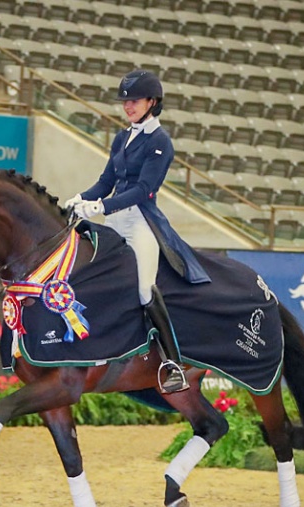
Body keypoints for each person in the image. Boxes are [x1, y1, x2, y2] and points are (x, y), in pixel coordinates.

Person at [65, 69, 210, 394]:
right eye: (125, 101)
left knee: (145, 288)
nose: (128, 106)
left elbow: (145, 188)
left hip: (140, 221)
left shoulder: (160, 142)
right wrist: (81, 198)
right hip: (113, 221)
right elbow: (106, 182)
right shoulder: (121, 137)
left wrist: (103, 207)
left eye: (134, 100)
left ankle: (173, 364)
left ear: (152, 102)